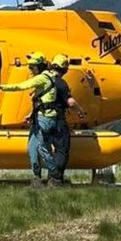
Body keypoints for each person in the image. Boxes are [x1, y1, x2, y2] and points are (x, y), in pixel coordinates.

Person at [0, 51, 59, 188]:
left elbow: (21, 86)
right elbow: (41, 100)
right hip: (38, 118)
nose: (30, 70)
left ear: (39, 67)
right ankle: (36, 178)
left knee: (42, 148)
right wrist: (31, 114)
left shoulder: (42, 78)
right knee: (32, 147)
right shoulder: (49, 77)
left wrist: (0, 87)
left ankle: (55, 176)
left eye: (32, 67)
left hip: (45, 119)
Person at [48, 53, 87, 185]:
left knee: (51, 149)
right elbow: (70, 103)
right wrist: (80, 111)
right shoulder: (61, 84)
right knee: (62, 149)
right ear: (64, 69)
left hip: (44, 120)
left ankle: (49, 177)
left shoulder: (44, 80)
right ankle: (56, 179)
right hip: (57, 120)